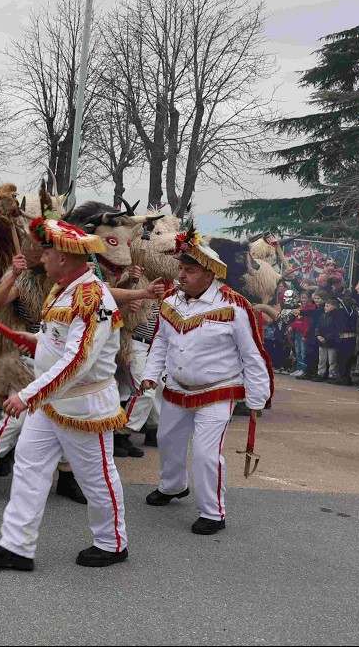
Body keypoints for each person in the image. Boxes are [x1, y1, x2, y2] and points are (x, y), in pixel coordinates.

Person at [0, 219, 129, 571]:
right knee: (28, 468)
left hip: (83, 408)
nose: (41, 257)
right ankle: (16, 546)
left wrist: (27, 395)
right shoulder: (62, 288)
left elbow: (78, 360)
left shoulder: (92, 296)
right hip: (50, 402)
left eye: (47, 250)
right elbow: (61, 341)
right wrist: (36, 341)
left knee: (96, 477)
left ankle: (112, 542)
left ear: (64, 256)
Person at [141, 227, 272, 536]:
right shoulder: (171, 302)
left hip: (218, 391)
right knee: (167, 440)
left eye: (190, 270)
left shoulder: (234, 306)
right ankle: (173, 486)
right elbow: (160, 342)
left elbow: (252, 355)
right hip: (175, 389)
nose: (181, 276)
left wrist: (256, 398)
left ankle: (212, 512)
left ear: (210, 274)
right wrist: (149, 374)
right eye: (181, 269)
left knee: (204, 453)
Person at [315, 298, 344, 382]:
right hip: (322, 341)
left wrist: (326, 338)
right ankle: (321, 373)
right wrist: (318, 335)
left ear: (333, 307)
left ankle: (332, 374)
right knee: (322, 359)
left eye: (327, 306)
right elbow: (318, 326)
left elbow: (336, 330)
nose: (325, 308)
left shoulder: (337, 318)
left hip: (332, 342)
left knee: (332, 359)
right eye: (325, 306)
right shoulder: (322, 316)